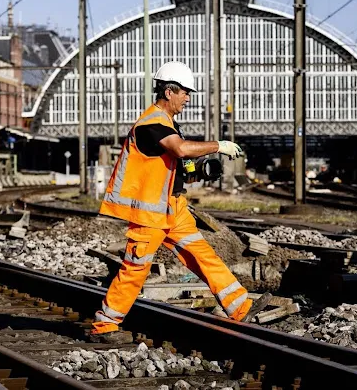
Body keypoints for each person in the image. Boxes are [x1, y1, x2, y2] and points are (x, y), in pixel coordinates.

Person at [89, 61, 272, 342]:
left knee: (203, 255)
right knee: (135, 270)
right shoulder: (152, 123)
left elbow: (177, 167)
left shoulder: (169, 125)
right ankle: (104, 327)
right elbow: (180, 149)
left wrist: (198, 171)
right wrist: (217, 145)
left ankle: (240, 307)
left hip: (173, 210)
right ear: (169, 91)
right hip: (149, 214)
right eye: (185, 92)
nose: (188, 98)